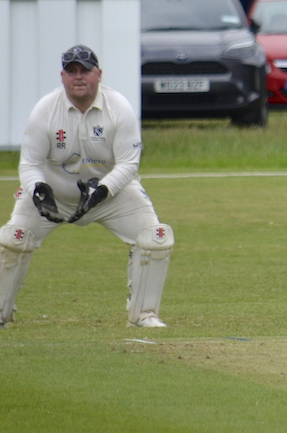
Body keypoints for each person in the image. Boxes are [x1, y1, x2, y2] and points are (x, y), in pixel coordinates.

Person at [0, 45, 173, 328]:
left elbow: (129, 164)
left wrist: (102, 191)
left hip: (110, 196)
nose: (78, 77)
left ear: (99, 74)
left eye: (85, 70)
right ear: (62, 76)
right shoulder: (45, 110)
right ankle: (1, 314)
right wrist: (38, 191)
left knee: (155, 237)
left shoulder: (119, 108)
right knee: (12, 239)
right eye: (72, 71)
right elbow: (29, 164)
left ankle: (143, 314)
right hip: (55, 196)